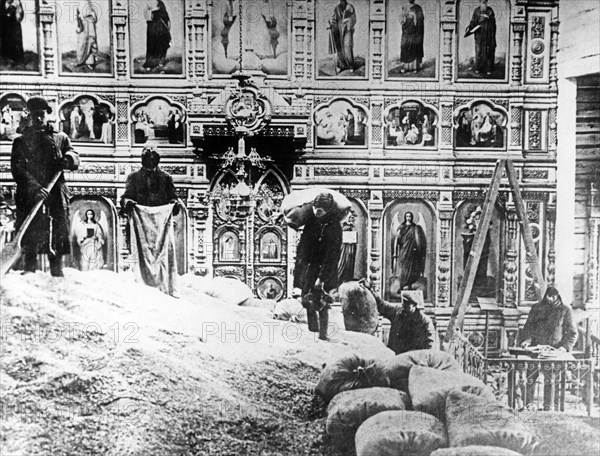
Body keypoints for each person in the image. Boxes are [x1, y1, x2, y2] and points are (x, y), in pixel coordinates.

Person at [10, 97, 80, 277]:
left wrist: (69, 158)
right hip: (30, 192)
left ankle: (57, 270)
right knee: (31, 228)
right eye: (35, 115)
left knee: (57, 227)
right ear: (30, 116)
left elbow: (73, 154)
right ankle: (30, 269)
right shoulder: (22, 140)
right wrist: (34, 187)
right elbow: (17, 168)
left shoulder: (60, 137)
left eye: (41, 115)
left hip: (55, 190)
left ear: (47, 115)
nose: (38, 118)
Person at [121, 147, 182, 297]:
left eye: (154, 158)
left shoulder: (166, 178)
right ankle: (140, 289)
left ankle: (163, 288)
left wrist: (175, 203)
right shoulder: (133, 178)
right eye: (148, 158)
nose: (151, 161)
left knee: (163, 256)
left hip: (160, 227)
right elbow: (125, 198)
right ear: (143, 160)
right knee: (140, 257)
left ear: (157, 160)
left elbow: (173, 197)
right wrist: (128, 202)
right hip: (140, 226)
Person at [518, 286, 578, 410]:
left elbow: (572, 333)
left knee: (551, 380)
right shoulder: (536, 308)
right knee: (530, 378)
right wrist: (527, 340)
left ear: (559, 296)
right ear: (545, 295)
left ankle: (549, 406)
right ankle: (528, 405)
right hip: (535, 350)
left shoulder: (565, 310)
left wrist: (564, 347)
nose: (551, 299)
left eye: (554, 296)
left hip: (554, 352)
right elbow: (529, 327)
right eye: (549, 296)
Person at [293, 193, 343, 340]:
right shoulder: (311, 222)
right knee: (306, 300)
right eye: (315, 208)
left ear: (327, 210)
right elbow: (303, 247)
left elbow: (332, 255)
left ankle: (323, 336)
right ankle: (313, 332)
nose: (316, 211)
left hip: (324, 269)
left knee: (321, 302)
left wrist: (321, 278)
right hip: (310, 268)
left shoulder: (334, 226)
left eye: (320, 210)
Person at [391, 211, 427, 291]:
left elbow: (417, 239)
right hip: (403, 250)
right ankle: (401, 286)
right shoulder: (402, 227)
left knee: (411, 269)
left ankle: (409, 286)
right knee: (403, 269)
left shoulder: (415, 227)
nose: (408, 218)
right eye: (407, 216)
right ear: (405, 217)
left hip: (412, 251)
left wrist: (416, 248)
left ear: (411, 217)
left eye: (409, 216)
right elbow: (399, 240)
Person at [465, 0, 496, 76]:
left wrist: (488, 17)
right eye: (482, 2)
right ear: (480, 2)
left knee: (489, 51)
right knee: (478, 52)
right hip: (479, 35)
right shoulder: (476, 11)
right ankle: (478, 68)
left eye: (485, 2)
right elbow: (473, 22)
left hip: (489, 36)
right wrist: (469, 28)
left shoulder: (490, 10)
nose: (484, 4)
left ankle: (489, 69)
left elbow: (493, 22)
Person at [328, 0, 356, 73]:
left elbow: (354, 19)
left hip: (347, 30)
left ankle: (350, 65)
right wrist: (332, 23)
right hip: (339, 30)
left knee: (347, 47)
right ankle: (340, 65)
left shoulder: (350, 7)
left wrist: (347, 20)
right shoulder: (336, 8)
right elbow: (334, 18)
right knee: (339, 47)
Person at [143, 0, 171, 71]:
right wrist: (152, 11)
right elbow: (146, 15)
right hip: (152, 27)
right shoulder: (148, 3)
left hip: (161, 28)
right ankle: (150, 63)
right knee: (152, 45)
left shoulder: (161, 3)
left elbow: (166, 17)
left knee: (161, 44)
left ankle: (160, 61)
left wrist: (167, 27)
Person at [400, 0, 425, 73]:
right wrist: (404, 18)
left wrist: (414, 16)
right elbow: (401, 20)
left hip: (415, 31)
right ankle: (405, 67)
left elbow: (420, 19)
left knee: (414, 46)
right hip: (406, 30)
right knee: (405, 46)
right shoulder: (404, 7)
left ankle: (414, 67)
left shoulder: (418, 8)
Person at [75, 1, 98, 69]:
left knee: (91, 42)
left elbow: (94, 17)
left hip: (89, 24)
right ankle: (80, 61)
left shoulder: (89, 4)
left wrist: (90, 18)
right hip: (83, 24)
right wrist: (79, 24)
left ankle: (90, 62)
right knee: (82, 43)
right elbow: (78, 15)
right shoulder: (79, 3)